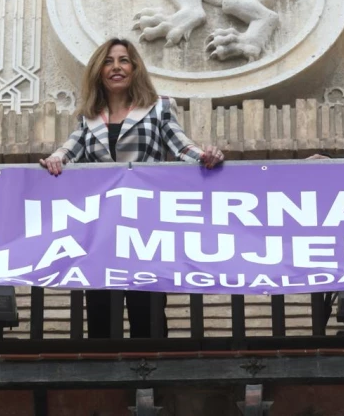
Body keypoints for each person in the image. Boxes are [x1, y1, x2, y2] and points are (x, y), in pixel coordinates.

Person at [40, 37, 224, 338]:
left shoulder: (158, 107)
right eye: (109, 62)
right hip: (101, 233)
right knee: (101, 313)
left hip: (145, 230)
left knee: (147, 312)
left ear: (135, 67)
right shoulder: (88, 117)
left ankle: (150, 383)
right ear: (99, 71)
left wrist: (206, 157)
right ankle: (105, 384)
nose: (116, 67)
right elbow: (67, 152)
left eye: (123, 60)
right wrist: (54, 160)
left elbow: (181, 146)